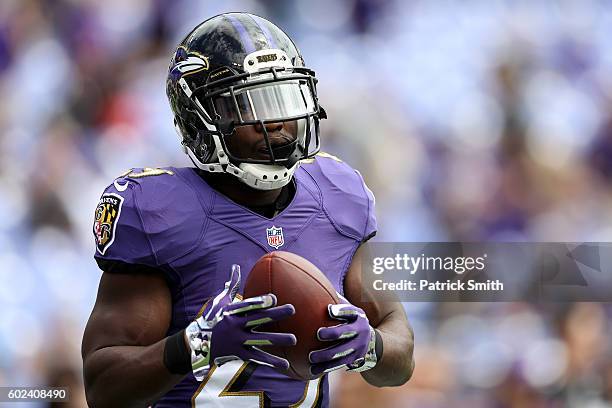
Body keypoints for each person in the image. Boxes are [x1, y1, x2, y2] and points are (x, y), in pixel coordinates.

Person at [82, 12, 414, 407]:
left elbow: (401, 353)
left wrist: (370, 346)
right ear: (199, 119)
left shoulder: (337, 196)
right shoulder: (157, 212)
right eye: (247, 106)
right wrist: (196, 345)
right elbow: (103, 389)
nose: (275, 123)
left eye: (283, 100)